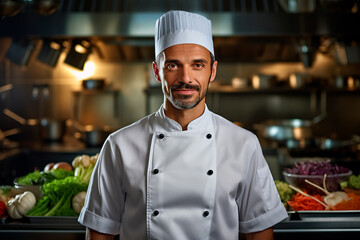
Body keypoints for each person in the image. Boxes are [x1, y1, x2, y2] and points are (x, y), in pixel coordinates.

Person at [78, 10, 288, 240]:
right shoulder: (120, 145)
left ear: (213, 71)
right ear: (157, 71)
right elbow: (100, 232)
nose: (186, 78)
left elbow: (259, 230)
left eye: (198, 65)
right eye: (173, 65)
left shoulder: (243, 144)